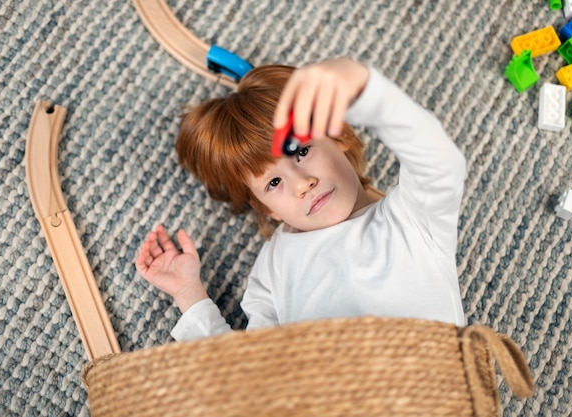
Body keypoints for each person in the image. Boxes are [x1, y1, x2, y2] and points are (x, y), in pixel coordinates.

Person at [135, 58, 467, 341]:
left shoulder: (412, 217)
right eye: (274, 182)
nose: (302, 185)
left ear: (338, 137)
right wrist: (189, 294)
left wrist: (364, 87)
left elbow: (439, 162)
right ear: (267, 209)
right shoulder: (275, 265)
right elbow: (252, 373)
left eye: (301, 150)